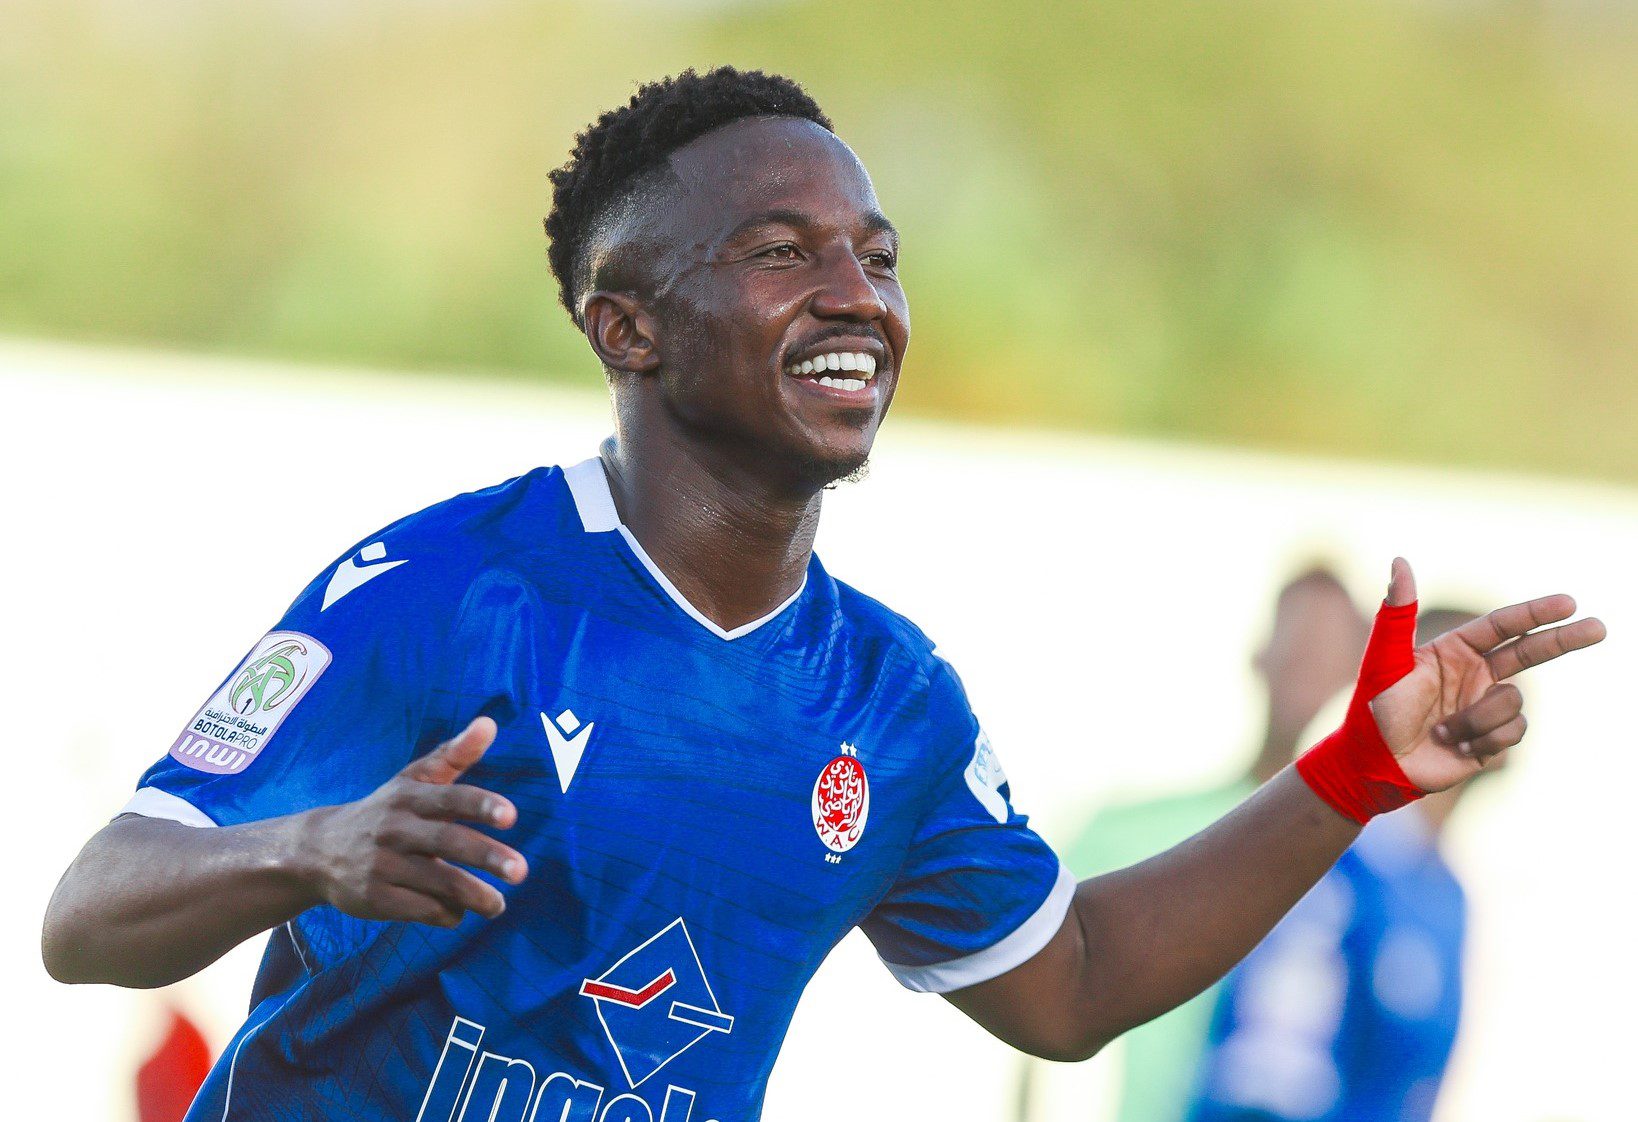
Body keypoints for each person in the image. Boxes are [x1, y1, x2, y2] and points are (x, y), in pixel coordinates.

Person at [41, 68, 1604, 1122]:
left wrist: (1356, 772)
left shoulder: (886, 699)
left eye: (876, 252)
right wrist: (312, 847)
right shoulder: (447, 590)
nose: (856, 294)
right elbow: (90, 908)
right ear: (627, 328)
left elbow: (1067, 986)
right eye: (783, 252)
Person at [1016, 567, 1368, 1122]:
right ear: (1260, 656)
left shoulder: (1380, 873)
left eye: (1326, 653)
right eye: (1297, 644)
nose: (1307, 669)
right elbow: (1036, 1011)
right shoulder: (1127, 832)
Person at [1184, 609, 1487, 1122]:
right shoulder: (1336, 867)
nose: (1510, 692)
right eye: (1478, 672)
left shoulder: (1444, 890)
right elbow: (1262, 1073)